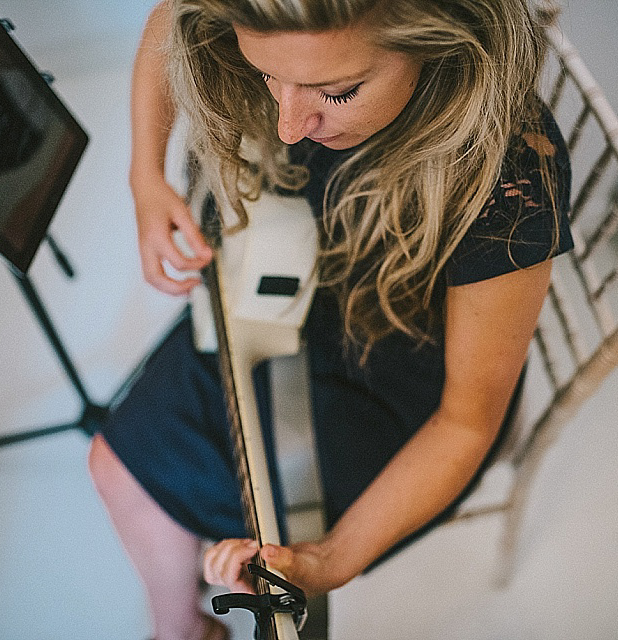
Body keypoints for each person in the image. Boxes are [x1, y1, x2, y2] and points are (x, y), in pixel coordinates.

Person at [87, 1, 573, 638]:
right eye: (266, 76)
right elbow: (171, 18)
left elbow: (466, 421)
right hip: (296, 273)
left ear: (436, 42)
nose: (291, 126)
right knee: (113, 463)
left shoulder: (508, 177)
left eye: (336, 92)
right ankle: (180, 629)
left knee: (163, 483)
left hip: (398, 373)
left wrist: (333, 558)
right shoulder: (283, 82)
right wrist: (144, 173)